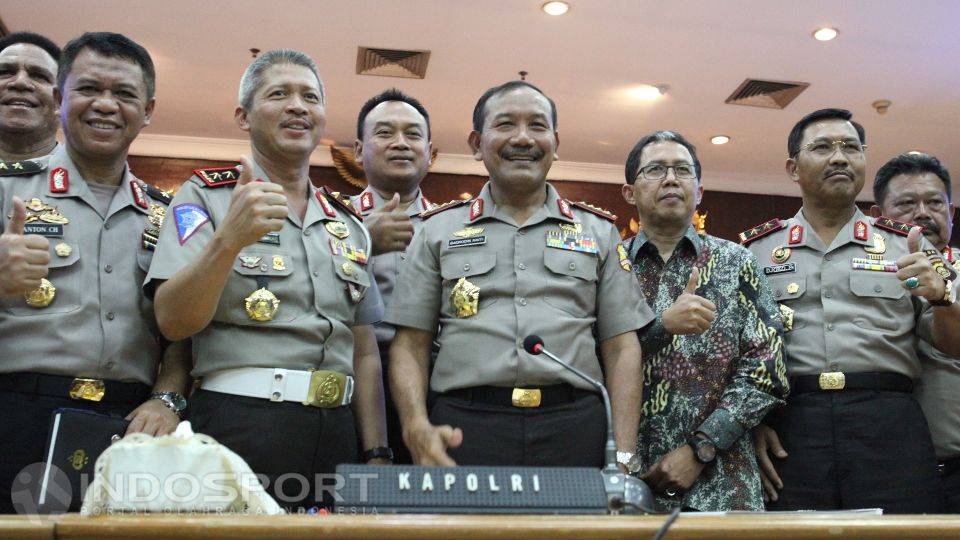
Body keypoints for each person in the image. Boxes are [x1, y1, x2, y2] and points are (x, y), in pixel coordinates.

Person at [145, 49, 388, 510]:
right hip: (241, 420)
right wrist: (228, 241)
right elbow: (173, 322)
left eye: (310, 97)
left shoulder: (346, 222)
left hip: (335, 430)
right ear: (244, 115)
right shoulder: (205, 196)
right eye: (279, 94)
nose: (298, 105)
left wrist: (376, 453)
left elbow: (363, 348)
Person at [386, 80, 652, 468]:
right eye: (506, 124)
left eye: (538, 126)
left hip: (575, 426)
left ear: (556, 143)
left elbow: (622, 347)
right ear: (476, 143)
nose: (523, 138)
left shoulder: (598, 231)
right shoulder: (436, 230)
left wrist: (624, 455)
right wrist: (415, 426)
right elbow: (410, 345)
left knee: (574, 533)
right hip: (464, 427)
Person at [0, 32, 189, 514]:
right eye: (89, 89)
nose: (106, 105)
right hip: (14, 410)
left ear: (147, 111)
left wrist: (168, 399)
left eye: (124, 94)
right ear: (61, 100)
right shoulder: (8, 190)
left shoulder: (169, 214)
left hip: (131, 425)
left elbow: (184, 334)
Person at [745, 108, 960, 513]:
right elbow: (733, 353)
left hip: (888, 423)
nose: (839, 157)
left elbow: (953, 346)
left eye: (851, 148)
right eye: (823, 147)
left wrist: (942, 298)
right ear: (793, 168)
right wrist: (751, 424)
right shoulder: (755, 252)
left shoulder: (908, 246)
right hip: (791, 425)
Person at [620, 130, 788, 511]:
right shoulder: (609, 265)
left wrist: (702, 448)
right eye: (655, 170)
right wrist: (662, 326)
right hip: (625, 479)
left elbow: (767, 370)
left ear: (699, 192)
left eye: (682, 169)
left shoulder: (737, 261)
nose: (670, 178)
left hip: (723, 479)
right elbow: (589, 357)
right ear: (629, 192)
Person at [871, 152, 960, 512]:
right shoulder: (865, 277)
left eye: (935, 202)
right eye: (906, 204)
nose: (922, 212)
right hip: (889, 471)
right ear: (880, 217)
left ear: (951, 212)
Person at [349, 88, 434, 464]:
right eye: (385, 133)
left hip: (436, 384)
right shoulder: (330, 220)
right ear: (357, 150)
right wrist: (361, 240)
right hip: (353, 380)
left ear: (432, 152)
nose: (401, 143)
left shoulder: (456, 227)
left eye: (413, 134)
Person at [0, 31, 61, 161]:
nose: (20, 82)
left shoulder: (95, 176)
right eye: (5, 72)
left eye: (39, 76)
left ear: (61, 101)